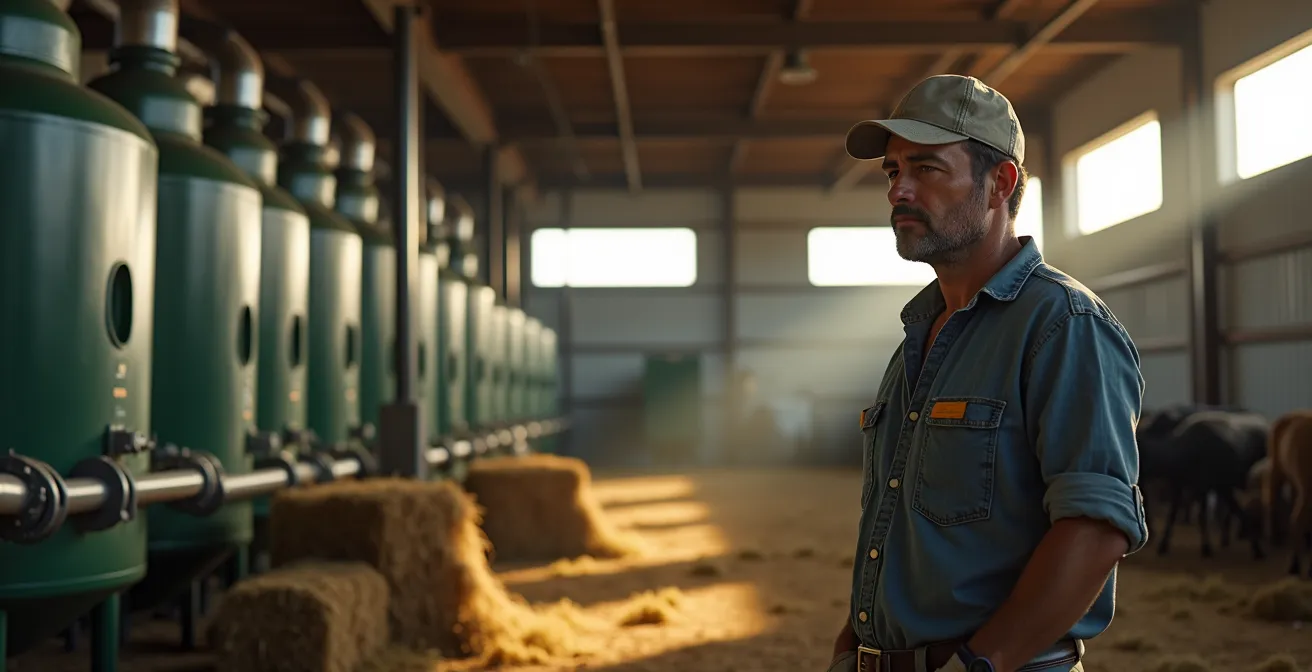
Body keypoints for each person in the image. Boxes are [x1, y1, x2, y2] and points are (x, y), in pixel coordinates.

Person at [826, 75, 1149, 672]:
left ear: (999, 183)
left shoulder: (1062, 325)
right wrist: (854, 645)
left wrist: (982, 663)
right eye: (893, 171)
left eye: (927, 169)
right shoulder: (919, 339)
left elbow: (1096, 528)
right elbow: (894, 520)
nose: (900, 190)